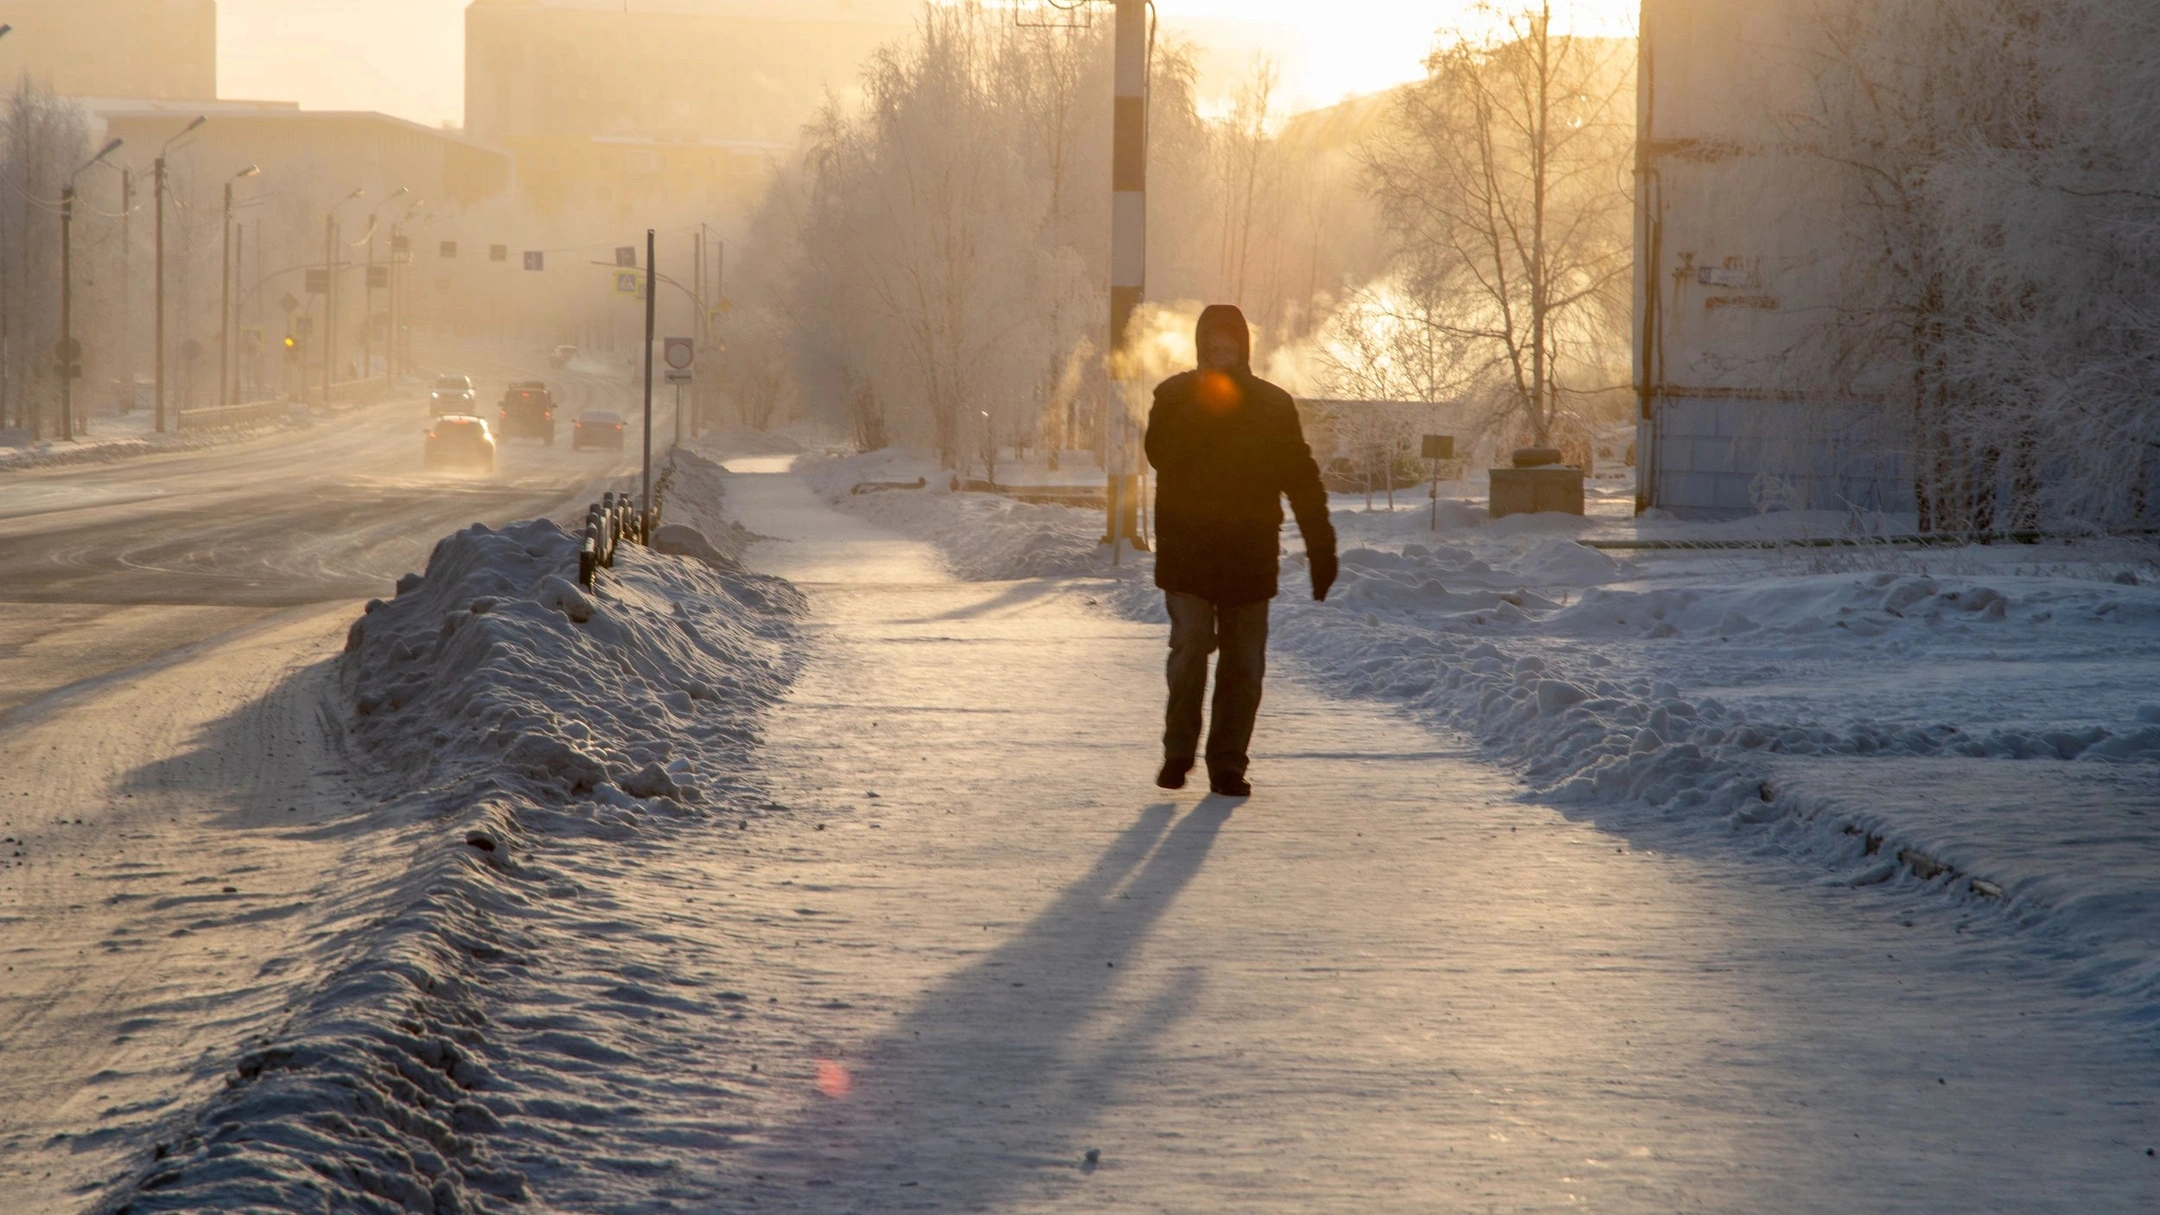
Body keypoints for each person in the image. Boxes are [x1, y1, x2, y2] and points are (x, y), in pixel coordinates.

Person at [1144, 304, 1337, 798]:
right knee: (1189, 649)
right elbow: (1159, 455)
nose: (1221, 353)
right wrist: (1196, 403)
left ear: (1243, 348)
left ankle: (1227, 763)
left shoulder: (1272, 405)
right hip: (1187, 550)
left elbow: (1301, 476)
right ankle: (1178, 752)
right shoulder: (1173, 395)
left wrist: (1321, 547)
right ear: (1202, 346)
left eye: (1229, 346)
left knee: (1243, 663)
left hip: (1248, 552)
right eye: (1213, 345)